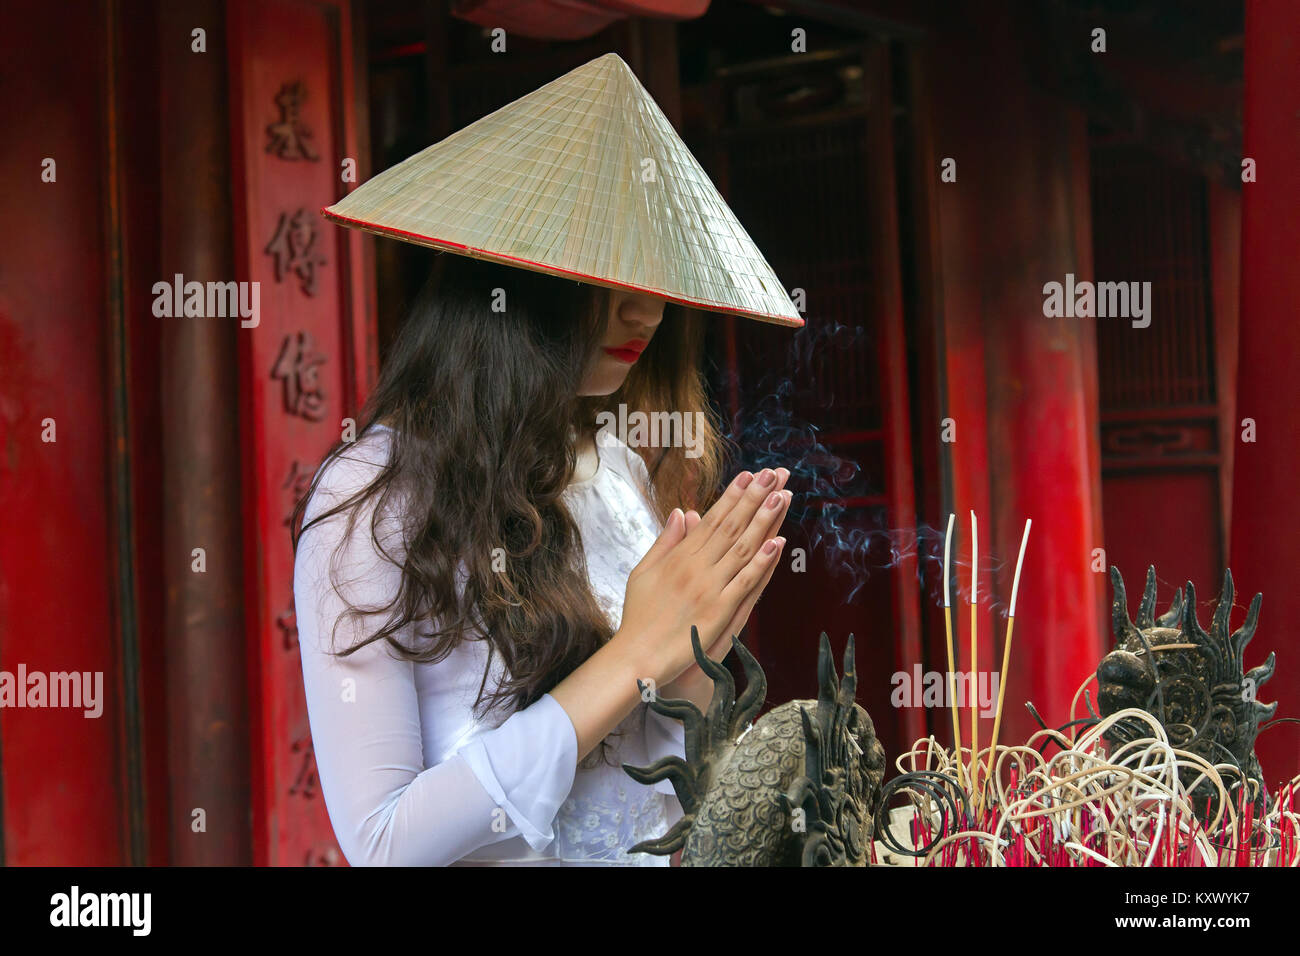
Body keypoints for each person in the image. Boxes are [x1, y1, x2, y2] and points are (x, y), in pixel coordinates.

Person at [292, 253, 792, 865]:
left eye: (648, 273)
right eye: (599, 273)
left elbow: (661, 801)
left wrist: (694, 660)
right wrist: (635, 654)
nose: (648, 310)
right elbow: (382, 841)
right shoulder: (372, 492)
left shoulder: (617, 468)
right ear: (512, 273)